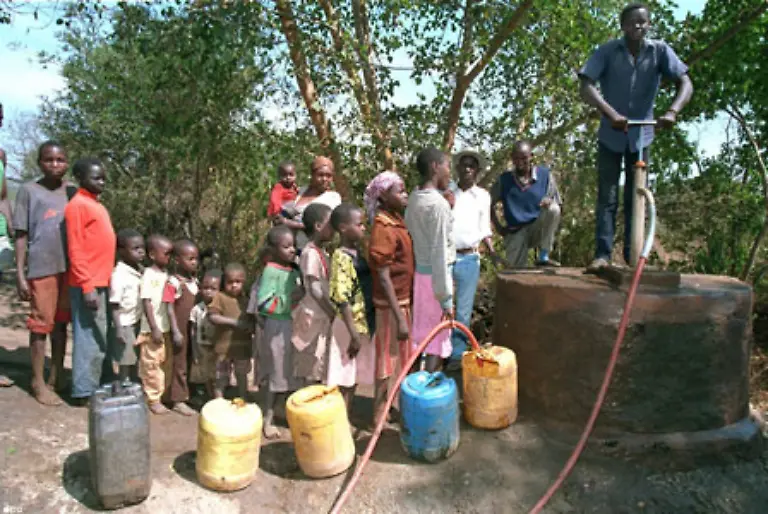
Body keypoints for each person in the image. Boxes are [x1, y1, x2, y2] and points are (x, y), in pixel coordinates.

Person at [579, 2, 692, 272]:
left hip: (642, 136)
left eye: (642, 22)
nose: (637, 27)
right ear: (623, 26)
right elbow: (586, 86)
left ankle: (633, 256)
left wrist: (673, 111)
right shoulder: (607, 51)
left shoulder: (660, 51)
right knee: (607, 197)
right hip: (611, 135)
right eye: (632, 22)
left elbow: (686, 82)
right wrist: (609, 113)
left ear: (649, 24)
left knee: (636, 197)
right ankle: (602, 256)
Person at [13, 141, 76, 405]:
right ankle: (37, 381)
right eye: (49, 160)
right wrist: (20, 273)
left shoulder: (73, 191)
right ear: (39, 162)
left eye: (60, 159)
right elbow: (21, 234)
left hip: (69, 267)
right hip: (41, 267)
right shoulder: (29, 191)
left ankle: (57, 375)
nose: (55, 165)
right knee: (41, 325)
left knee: (61, 325)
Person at [65, 157, 117, 403]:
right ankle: (84, 390)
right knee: (89, 337)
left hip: (101, 280)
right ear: (81, 179)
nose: (102, 181)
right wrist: (87, 286)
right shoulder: (77, 206)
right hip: (88, 283)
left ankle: (99, 383)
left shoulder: (95, 204)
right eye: (96, 177)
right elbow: (75, 248)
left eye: (103, 177)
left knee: (100, 334)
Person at [365, 171, 414, 424]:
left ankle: (389, 406)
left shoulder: (395, 221)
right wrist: (400, 318)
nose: (405, 195)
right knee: (387, 358)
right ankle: (378, 414)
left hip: (401, 302)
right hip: (390, 307)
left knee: (399, 358)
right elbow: (383, 276)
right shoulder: (383, 227)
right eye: (400, 191)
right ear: (383, 196)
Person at [446, 151, 503, 370]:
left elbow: (484, 229)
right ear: (458, 168)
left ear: (478, 171)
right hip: (447, 255)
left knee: (463, 310)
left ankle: (456, 355)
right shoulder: (448, 191)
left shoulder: (482, 196)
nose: (468, 169)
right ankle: (437, 351)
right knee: (443, 306)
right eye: (464, 165)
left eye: (472, 166)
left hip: (470, 257)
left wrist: (493, 252)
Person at [405, 147, 455, 372]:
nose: (449, 174)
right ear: (435, 167)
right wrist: (445, 298)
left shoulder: (414, 198)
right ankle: (430, 396)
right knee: (437, 340)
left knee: (420, 338)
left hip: (421, 277)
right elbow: (440, 254)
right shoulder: (438, 205)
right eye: (447, 167)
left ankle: (413, 393)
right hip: (436, 280)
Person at [326, 203, 375, 419]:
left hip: (360, 322)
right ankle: (339, 420)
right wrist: (353, 333)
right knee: (343, 376)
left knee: (352, 375)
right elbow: (341, 297)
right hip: (348, 325)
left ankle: (344, 416)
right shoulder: (341, 257)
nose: (364, 228)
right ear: (344, 228)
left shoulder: (356, 253)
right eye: (359, 224)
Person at [257, 225, 302, 438]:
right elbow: (264, 303)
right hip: (277, 326)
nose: (292, 250)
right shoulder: (271, 271)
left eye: (293, 245)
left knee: (289, 373)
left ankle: (283, 413)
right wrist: (290, 299)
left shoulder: (294, 271)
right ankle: (267, 419)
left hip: (292, 325)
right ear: (274, 250)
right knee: (275, 373)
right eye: (286, 247)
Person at [490, 141, 562, 268]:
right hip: (515, 231)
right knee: (515, 273)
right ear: (512, 158)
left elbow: (557, 202)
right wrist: (499, 227)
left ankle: (544, 255)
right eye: (516, 158)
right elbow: (488, 204)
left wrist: (548, 201)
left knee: (553, 209)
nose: (520, 161)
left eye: (524, 157)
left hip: (537, 227)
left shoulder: (545, 175)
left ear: (531, 156)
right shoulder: (504, 180)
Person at [292, 203, 335, 386]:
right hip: (313, 316)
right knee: (310, 364)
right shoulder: (310, 254)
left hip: (320, 315)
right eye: (330, 223)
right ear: (318, 226)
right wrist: (331, 311)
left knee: (318, 363)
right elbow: (314, 289)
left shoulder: (321, 252)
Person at [137, 234, 174, 415]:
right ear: (152, 254)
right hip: (153, 330)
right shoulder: (149, 275)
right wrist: (154, 328)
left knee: (163, 363)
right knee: (151, 365)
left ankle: (162, 394)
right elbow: (147, 302)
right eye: (166, 253)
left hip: (165, 327)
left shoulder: (166, 275)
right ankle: (153, 398)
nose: (169, 257)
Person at [162, 240, 200, 416]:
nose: (194, 262)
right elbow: (168, 306)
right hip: (180, 329)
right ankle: (177, 399)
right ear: (177, 260)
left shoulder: (195, 281)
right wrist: (175, 330)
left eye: (196, 259)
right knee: (179, 363)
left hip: (192, 329)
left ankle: (187, 392)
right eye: (190, 258)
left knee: (190, 360)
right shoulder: (173, 282)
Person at [208, 262, 253, 401]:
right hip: (223, 348)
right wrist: (235, 323)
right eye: (230, 282)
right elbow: (212, 317)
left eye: (238, 282)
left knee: (241, 376)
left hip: (242, 347)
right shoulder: (220, 297)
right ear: (224, 282)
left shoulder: (246, 300)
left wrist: (250, 326)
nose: (234, 285)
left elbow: (252, 320)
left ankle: (243, 399)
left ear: (243, 282)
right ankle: (218, 402)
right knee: (221, 377)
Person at [276, 156, 342, 249]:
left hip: (308, 250)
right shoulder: (299, 191)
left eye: (328, 176)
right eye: (320, 175)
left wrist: (289, 223)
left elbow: (324, 227)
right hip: (284, 248)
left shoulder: (332, 198)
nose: (324, 179)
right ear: (312, 174)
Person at [109, 229, 145, 383]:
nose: (141, 252)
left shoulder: (140, 271)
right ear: (122, 251)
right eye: (135, 248)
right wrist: (118, 329)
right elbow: (114, 305)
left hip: (136, 321)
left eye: (142, 248)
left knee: (134, 356)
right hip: (124, 323)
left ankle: (133, 382)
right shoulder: (119, 275)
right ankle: (124, 384)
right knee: (125, 359)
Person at [189, 269, 221, 400]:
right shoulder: (197, 309)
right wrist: (195, 350)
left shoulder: (221, 309)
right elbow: (193, 330)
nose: (208, 291)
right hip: (202, 347)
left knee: (218, 374)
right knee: (206, 374)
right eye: (205, 288)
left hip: (217, 348)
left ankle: (218, 397)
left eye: (213, 288)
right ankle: (209, 396)